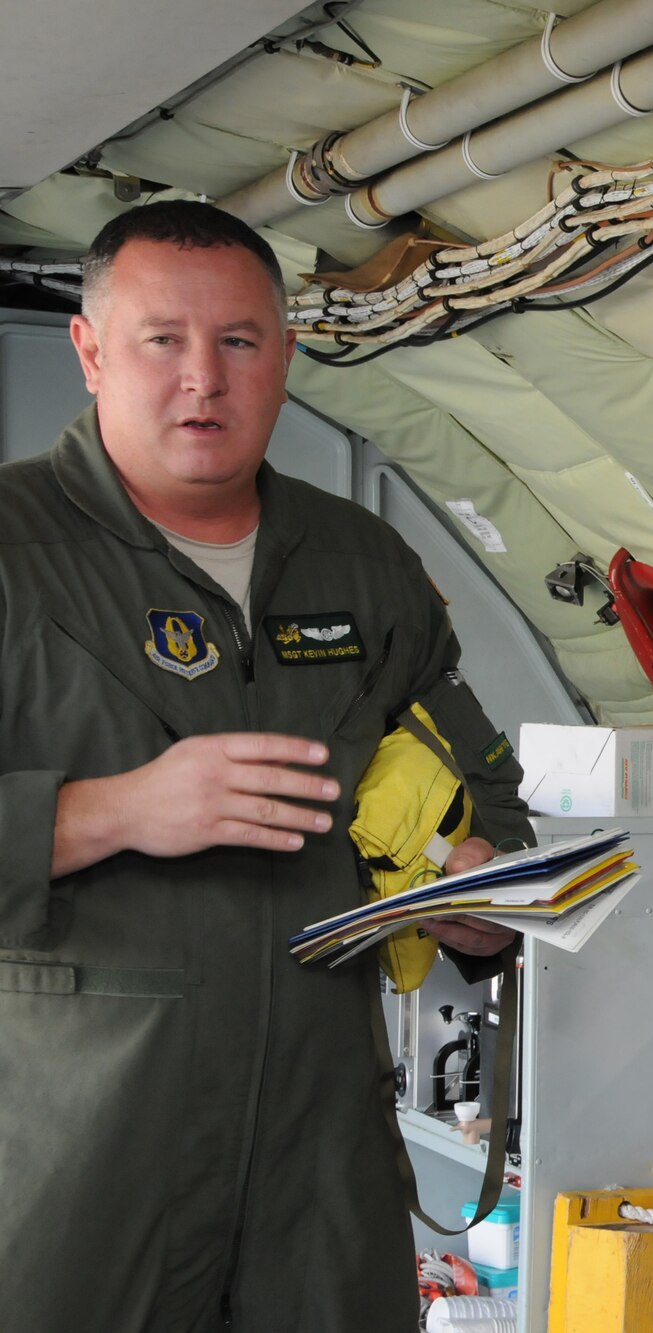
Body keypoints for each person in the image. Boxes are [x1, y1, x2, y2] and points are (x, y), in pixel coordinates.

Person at [0, 200, 532, 1330]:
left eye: (239, 341)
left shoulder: (363, 564)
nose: (205, 378)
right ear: (89, 352)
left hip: (318, 1157)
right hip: (69, 1158)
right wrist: (114, 810)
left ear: (284, 356)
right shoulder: (14, 550)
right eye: (163, 340)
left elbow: (482, 784)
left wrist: (481, 893)